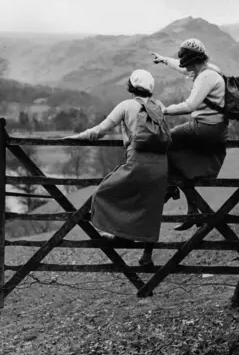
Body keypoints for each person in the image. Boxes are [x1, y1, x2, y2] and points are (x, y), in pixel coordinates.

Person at [64, 69, 169, 267]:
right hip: (161, 166)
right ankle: (146, 255)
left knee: (105, 193)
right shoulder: (159, 106)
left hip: (138, 163)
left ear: (131, 86)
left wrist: (75, 138)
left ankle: (116, 233)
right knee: (151, 208)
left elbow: (100, 130)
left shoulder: (126, 105)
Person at [152, 38, 228, 230]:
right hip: (212, 127)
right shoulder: (209, 69)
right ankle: (192, 208)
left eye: (187, 62)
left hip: (205, 128)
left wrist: (165, 110)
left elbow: (190, 105)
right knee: (177, 156)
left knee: (164, 140)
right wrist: (163, 60)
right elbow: (182, 67)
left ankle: (170, 187)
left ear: (193, 60)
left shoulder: (205, 77)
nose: (186, 68)